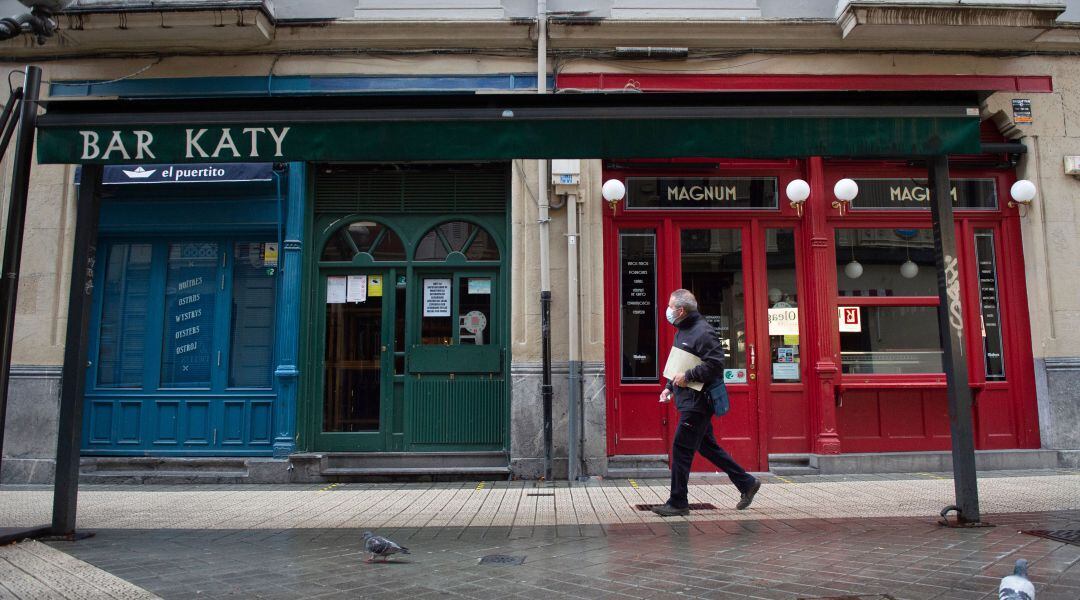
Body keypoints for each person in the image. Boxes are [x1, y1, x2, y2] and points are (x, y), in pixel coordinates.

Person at [652, 289, 761, 517]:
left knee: (681, 449)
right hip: (688, 399)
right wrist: (669, 387)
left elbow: (715, 364)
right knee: (707, 447)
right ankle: (746, 483)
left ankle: (678, 502)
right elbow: (679, 364)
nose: (668, 311)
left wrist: (689, 376)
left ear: (681, 310)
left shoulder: (703, 332)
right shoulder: (683, 330)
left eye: (671, 306)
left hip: (698, 403)